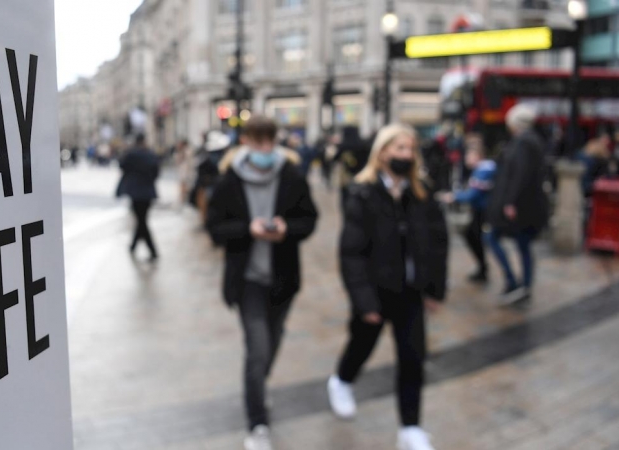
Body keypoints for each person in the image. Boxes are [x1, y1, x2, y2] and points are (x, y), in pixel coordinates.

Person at [327, 123, 448, 450]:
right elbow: (351, 252)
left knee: (413, 358)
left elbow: (438, 243)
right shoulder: (362, 193)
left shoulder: (421, 192)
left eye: (410, 150)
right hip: (375, 291)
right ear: (382, 154)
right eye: (399, 149)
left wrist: (435, 289)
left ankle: (410, 427)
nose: (405, 156)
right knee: (361, 346)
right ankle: (341, 380)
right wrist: (364, 301)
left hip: (410, 292)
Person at [207, 116, 318, 450]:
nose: (266, 149)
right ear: (246, 143)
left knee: (272, 341)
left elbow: (309, 219)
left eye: (270, 142)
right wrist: (247, 229)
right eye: (258, 142)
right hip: (247, 280)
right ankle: (257, 422)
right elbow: (215, 228)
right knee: (257, 349)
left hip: (283, 278)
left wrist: (287, 230)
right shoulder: (228, 182)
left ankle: (258, 388)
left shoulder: (292, 176)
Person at [486, 105, 549, 305]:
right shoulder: (532, 141)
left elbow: (520, 174)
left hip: (521, 207)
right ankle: (522, 285)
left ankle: (518, 284)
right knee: (522, 245)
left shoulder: (524, 143)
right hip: (526, 205)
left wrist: (510, 202)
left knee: (494, 237)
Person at [442, 143, 496, 283]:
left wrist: (454, 196)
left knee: (481, 238)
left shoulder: (483, 170)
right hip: (482, 210)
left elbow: (473, 194)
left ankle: (484, 269)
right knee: (472, 236)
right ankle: (483, 268)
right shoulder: (482, 169)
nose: (466, 158)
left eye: (470, 155)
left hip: (484, 210)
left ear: (478, 156)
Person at [116, 134, 160, 260]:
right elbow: (156, 172)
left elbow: (122, 166)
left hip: (135, 192)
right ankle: (135, 246)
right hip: (147, 192)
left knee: (141, 221)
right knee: (142, 219)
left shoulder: (131, 154)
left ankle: (151, 250)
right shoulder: (150, 154)